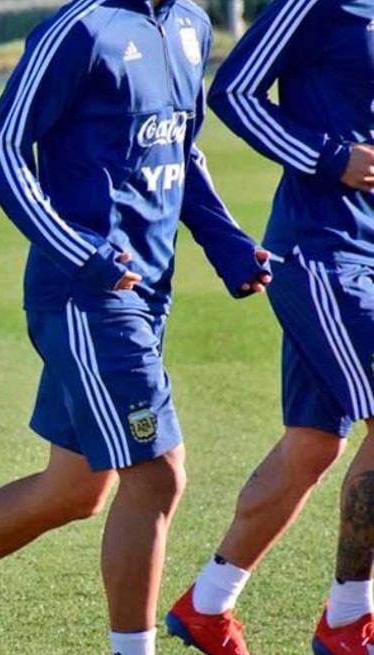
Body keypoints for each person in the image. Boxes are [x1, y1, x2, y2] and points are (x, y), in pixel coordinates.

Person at [0, 0, 273, 653]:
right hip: (84, 297)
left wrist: (227, 244)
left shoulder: (192, 24)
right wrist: (81, 253)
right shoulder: (79, 29)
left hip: (144, 295)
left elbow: (180, 148)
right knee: (157, 474)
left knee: (74, 488)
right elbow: (2, 150)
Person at [163, 1, 374, 653]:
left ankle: (207, 604)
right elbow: (234, 91)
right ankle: (349, 618)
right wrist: (329, 156)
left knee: (311, 444)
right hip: (324, 253)